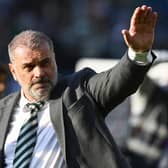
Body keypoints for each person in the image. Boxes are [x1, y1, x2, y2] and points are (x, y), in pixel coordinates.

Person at [0, 5, 157, 168]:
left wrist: (138, 52)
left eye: (45, 63)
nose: (39, 73)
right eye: (29, 67)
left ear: (54, 60)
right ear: (13, 71)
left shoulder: (78, 90)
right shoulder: (3, 111)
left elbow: (118, 81)